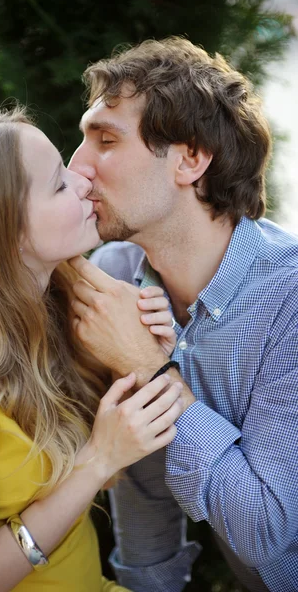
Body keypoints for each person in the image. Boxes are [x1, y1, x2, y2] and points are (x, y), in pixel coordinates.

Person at [0, 108, 185, 592]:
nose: (81, 179)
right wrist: (98, 459)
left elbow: (119, 444)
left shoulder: (64, 306)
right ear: (2, 233)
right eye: (56, 184)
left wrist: (147, 355)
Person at [68, 37, 298, 592]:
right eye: (82, 141)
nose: (77, 168)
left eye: (105, 140)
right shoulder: (118, 269)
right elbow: (144, 481)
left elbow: (267, 530)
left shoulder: (289, 301)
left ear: (191, 159)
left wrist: (152, 372)